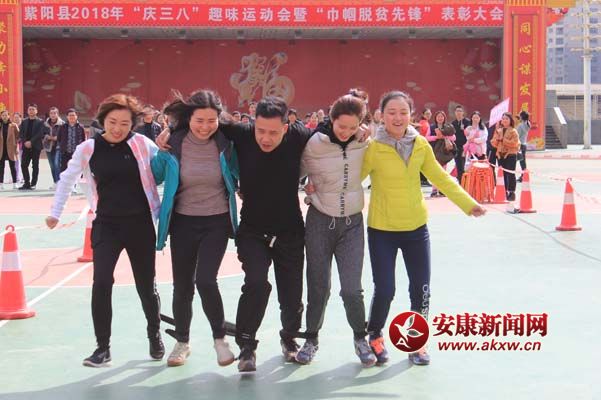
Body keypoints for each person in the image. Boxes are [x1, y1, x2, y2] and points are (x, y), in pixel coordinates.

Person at [157, 96, 312, 373]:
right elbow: (204, 122)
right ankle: (247, 346)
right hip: (252, 231)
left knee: (291, 293)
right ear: (253, 124)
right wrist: (171, 130)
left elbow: (332, 133)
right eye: (260, 130)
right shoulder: (240, 133)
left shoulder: (299, 135)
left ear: (286, 127)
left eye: (273, 132)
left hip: (290, 230)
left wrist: (360, 132)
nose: (265, 138)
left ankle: (289, 338)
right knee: (256, 283)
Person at [361, 91, 486, 366]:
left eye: (403, 112)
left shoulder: (419, 144)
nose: (397, 117)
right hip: (382, 230)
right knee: (385, 289)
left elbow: (440, 177)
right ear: (381, 116)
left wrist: (468, 204)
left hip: (416, 228)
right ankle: (375, 335)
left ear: (411, 115)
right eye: (391, 112)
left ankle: (416, 342)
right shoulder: (372, 147)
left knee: (421, 289)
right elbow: (351, 178)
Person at [45, 94, 164, 367]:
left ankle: (154, 335)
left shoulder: (142, 144)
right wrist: (55, 212)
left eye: (125, 123)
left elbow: (165, 165)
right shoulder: (89, 148)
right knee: (101, 282)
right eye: (112, 122)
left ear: (132, 124)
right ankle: (102, 348)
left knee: (146, 285)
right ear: (102, 121)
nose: (118, 128)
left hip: (140, 224)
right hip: (106, 225)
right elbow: (67, 178)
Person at [152, 89, 239, 368]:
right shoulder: (174, 143)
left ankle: (220, 340)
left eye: (211, 120)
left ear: (219, 119)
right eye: (199, 120)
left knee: (206, 280)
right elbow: (156, 175)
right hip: (183, 222)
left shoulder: (226, 143)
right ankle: (182, 341)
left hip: (216, 221)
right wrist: (160, 150)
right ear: (189, 118)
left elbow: (241, 171)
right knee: (182, 286)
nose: (205, 126)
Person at [297, 94, 376, 367]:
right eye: (342, 126)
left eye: (353, 127)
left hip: (352, 224)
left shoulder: (364, 141)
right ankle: (311, 339)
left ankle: (360, 338)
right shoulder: (314, 144)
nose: (346, 132)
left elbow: (391, 135)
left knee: (352, 289)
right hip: (319, 222)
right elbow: (294, 171)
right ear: (331, 120)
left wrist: (367, 131)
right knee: (318, 287)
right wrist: (304, 185)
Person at [490, 112, 520, 201]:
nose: (505, 120)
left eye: (507, 119)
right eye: (503, 119)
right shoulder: (498, 131)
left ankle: (511, 192)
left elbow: (515, 143)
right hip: (500, 155)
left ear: (510, 120)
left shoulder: (513, 131)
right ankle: (504, 191)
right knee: (502, 174)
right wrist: (497, 140)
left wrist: (503, 140)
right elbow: (493, 142)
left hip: (511, 154)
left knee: (510, 173)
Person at [19, 103, 46, 190]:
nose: (31, 111)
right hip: (26, 146)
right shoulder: (24, 121)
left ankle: (33, 184)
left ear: (36, 111)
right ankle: (26, 183)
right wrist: (25, 142)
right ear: (27, 111)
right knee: (23, 165)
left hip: (36, 146)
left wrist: (31, 141)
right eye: (30, 109)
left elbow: (40, 133)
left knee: (35, 165)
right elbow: (21, 133)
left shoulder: (40, 122)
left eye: (33, 109)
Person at [43, 107, 64, 187]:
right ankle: (55, 182)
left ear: (57, 114)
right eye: (51, 113)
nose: (53, 115)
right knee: (52, 165)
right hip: (48, 147)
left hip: (58, 147)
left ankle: (59, 181)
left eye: (54, 113)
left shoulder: (62, 124)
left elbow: (63, 135)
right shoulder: (45, 124)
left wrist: (57, 138)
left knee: (56, 164)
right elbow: (42, 133)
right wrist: (47, 137)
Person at [0, 110, 19, 190]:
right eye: (3, 115)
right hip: (1, 149)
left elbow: (18, 136)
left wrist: (16, 146)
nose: (4, 117)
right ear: (1, 116)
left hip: (11, 148)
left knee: (12, 166)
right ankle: (1, 184)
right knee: (1, 167)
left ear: (8, 116)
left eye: (6, 115)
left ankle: (15, 183)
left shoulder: (13, 125)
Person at [451, 105, 470, 184]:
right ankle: (460, 182)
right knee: (458, 165)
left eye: (460, 111)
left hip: (465, 147)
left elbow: (470, 133)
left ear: (463, 112)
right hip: (456, 147)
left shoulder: (467, 122)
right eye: (457, 111)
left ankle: (465, 182)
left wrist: (464, 130)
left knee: (464, 165)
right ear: (455, 113)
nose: (458, 112)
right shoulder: (453, 123)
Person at [516, 111, 531, 182]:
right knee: (522, 161)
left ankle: (523, 176)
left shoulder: (520, 125)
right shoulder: (528, 124)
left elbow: (516, 136)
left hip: (519, 145)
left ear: (521, 117)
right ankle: (524, 175)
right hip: (524, 144)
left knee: (516, 161)